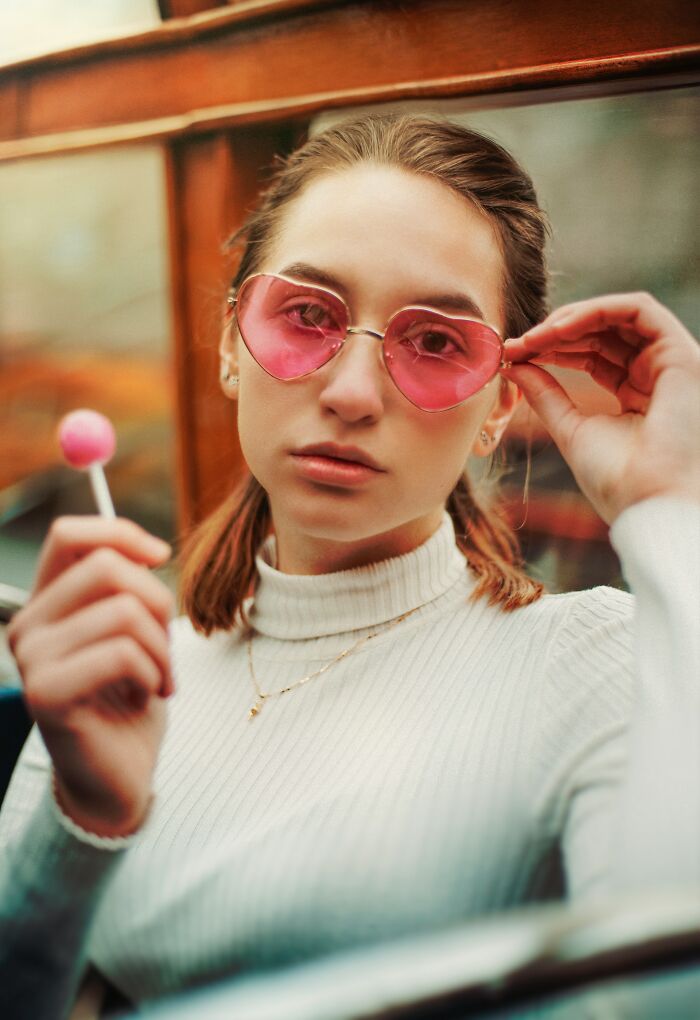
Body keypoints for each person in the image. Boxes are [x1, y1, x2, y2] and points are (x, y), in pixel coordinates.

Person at [0, 112, 698, 1020]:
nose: (353, 393)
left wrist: (669, 514)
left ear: (498, 406)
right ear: (228, 344)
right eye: (306, 315)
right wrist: (85, 814)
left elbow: (667, 989)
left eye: (438, 341)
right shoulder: (124, 670)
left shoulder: (590, 661)